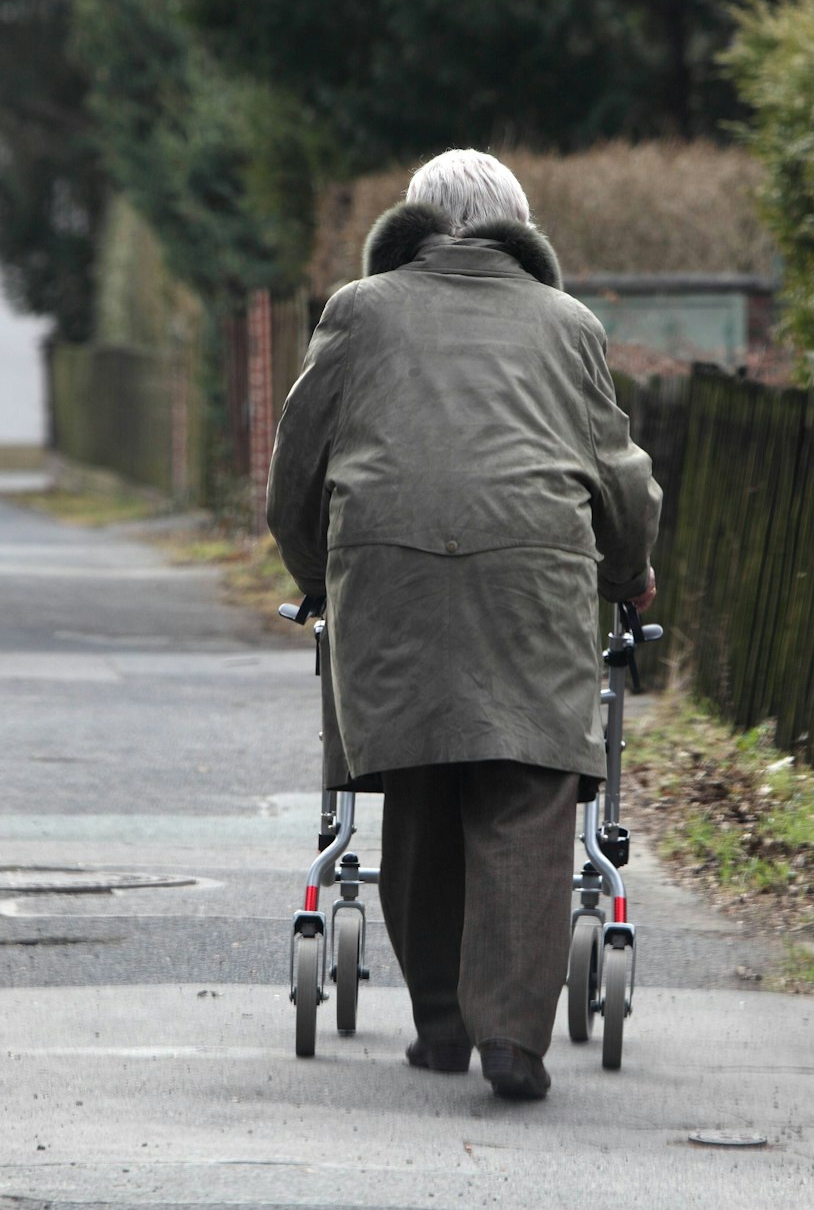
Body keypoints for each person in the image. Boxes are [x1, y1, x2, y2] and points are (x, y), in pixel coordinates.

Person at [267, 148, 661, 1100]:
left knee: (423, 783)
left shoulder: (357, 312)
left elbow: (295, 474)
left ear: (413, 222)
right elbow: (621, 479)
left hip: (390, 582)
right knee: (527, 792)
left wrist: (319, 578)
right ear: (516, 228)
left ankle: (441, 1026)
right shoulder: (568, 325)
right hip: (535, 581)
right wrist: (630, 574)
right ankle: (512, 1039)